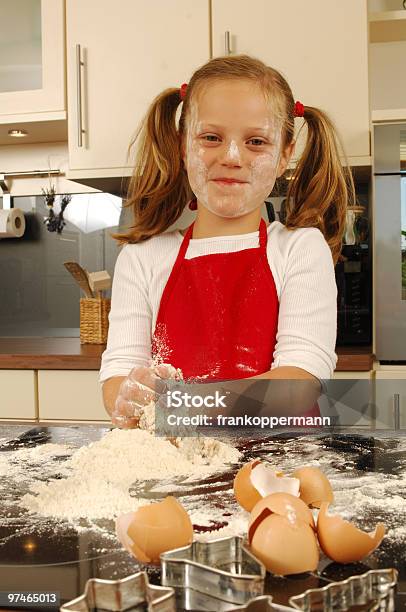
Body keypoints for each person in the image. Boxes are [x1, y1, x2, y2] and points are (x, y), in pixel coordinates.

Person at [100, 54, 354, 428]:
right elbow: (118, 375)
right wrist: (131, 398)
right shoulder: (143, 258)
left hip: (278, 470)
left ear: (285, 154)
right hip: (176, 470)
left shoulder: (300, 249)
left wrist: (184, 406)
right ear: (182, 145)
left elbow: (300, 383)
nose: (231, 156)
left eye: (255, 141)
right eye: (211, 138)